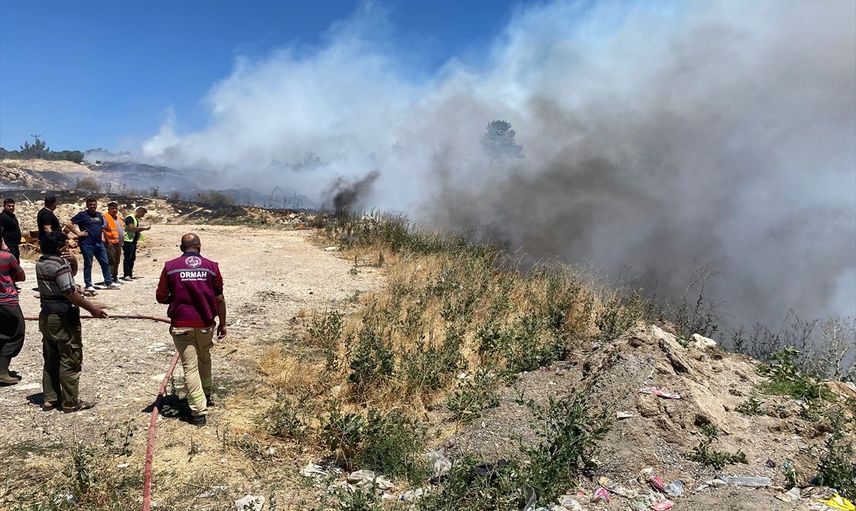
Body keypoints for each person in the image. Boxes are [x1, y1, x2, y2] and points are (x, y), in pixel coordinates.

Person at [156, 233, 226, 426]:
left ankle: (198, 412)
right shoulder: (211, 267)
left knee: (190, 367)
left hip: (182, 325)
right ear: (199, 247)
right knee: (204, 358)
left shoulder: (170, 267)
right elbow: (219, 298)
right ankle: (207, 395)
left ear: (181, 248)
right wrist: (223, 323)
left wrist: (177, 297)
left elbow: (161, 296)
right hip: (205, 324)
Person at [36, 231, 108, 412]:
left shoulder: (41, 262)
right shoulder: (59, 265)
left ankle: (50, 398)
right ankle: (70, 402)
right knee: (70, 358)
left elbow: (69, 275)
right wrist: (92, 309)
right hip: (63, 317)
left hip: (46, 315)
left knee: (51, 358)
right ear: (60, 247)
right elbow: (69, 291)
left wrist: (73, 261)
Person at [67, 197, 118, 292]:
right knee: (88, 264)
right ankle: (88, 284)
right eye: (90, 205)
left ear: (96, 205)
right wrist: (78, 233)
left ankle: (109, 282)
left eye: (94, 204)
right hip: (87, 243)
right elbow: (68, 224)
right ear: (87, 206)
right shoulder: (82, 215)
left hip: (99, 243)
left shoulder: (99, 215)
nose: (92, 206)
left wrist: (105, 240)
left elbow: (101, 228)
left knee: (105, 262)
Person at [0, 225, 26, 385]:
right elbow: (21, 276)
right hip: (6, 300)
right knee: (16, 333)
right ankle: (2, 371)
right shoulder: (7, 257)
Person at [122, 207, 150, 280]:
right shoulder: (130, 218)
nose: (142, 216)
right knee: (128, 258)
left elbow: (136, 230)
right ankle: (126, 274)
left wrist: (143, 230)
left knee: (132, 258)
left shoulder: (135, 219)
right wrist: (144, 228)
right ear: (139, 212)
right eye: (142, 214)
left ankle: (130, 273)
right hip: (128, 241)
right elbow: (132, 228)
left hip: (133, 241)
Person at [103, 202, 124, 285]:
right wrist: (108, 241)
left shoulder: (118, 217)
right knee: (111, 261)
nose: (114, 210)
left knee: (117, 261)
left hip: (118, 243)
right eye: (112, 208)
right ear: (109, 209)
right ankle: (109, 278)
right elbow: (103, 229)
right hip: (110, 243)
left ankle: (115, 277)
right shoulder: (106, 217)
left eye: (116, 208)